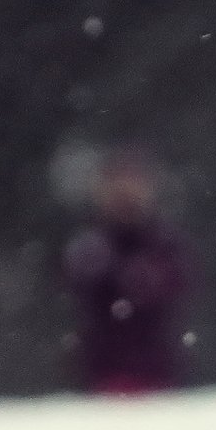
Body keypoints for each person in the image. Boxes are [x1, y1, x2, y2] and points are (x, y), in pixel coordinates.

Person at [62, 149, 196, 395]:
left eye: (133, 184)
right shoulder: (90, 245)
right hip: (99, 382)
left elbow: (181, 293)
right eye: (117, 186)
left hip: (162, 380)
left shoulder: (167, 245)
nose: (126, 195)